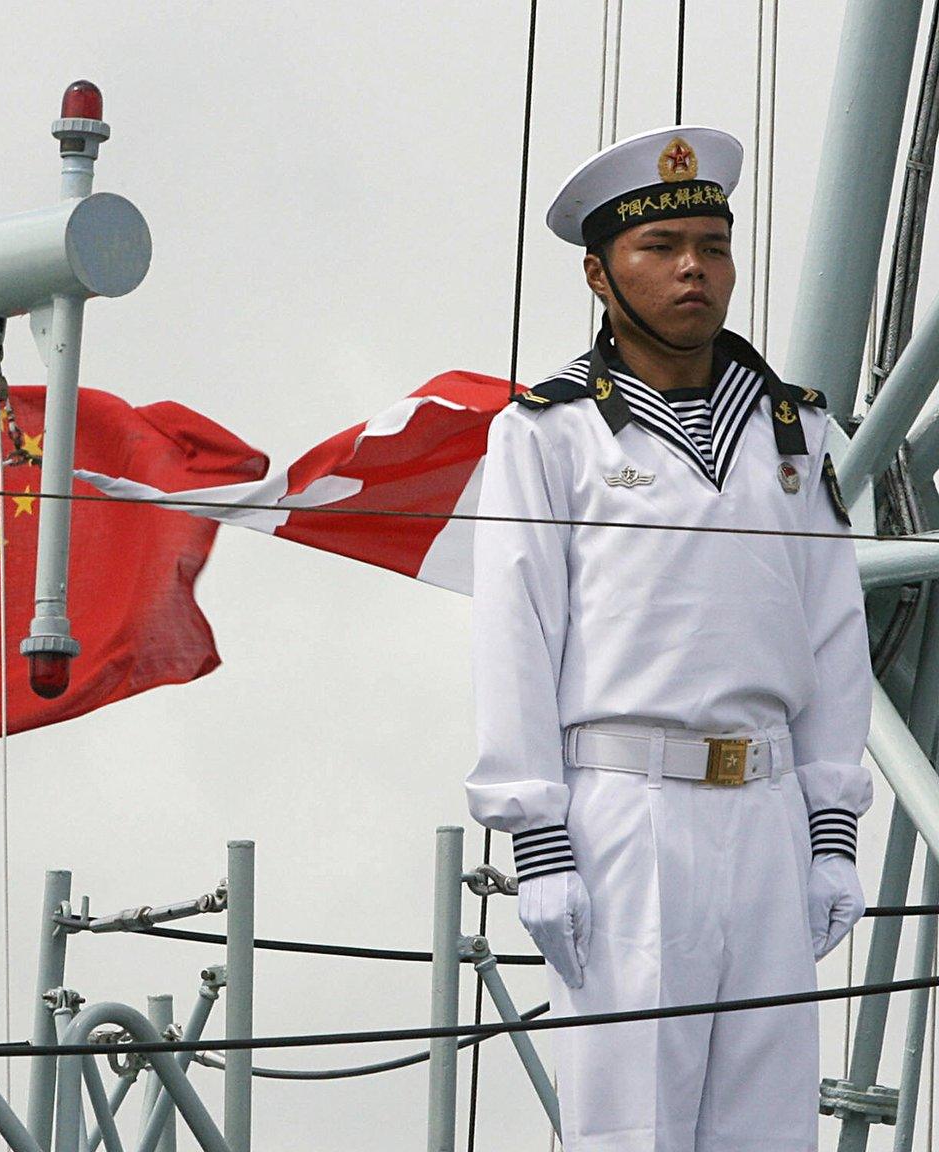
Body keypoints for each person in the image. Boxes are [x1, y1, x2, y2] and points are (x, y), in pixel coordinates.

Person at [467, 124, 870, 1151]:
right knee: (627, 1125)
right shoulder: (547, 431)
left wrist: (831, 830)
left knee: (770, 1124)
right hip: (623, 817)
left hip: (770, 811)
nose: (692, 269)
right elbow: (516, 634)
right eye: (660, 250)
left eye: (711, 244)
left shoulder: (794, 430)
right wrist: (537, 840)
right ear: (598, 276)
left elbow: (830, 632)